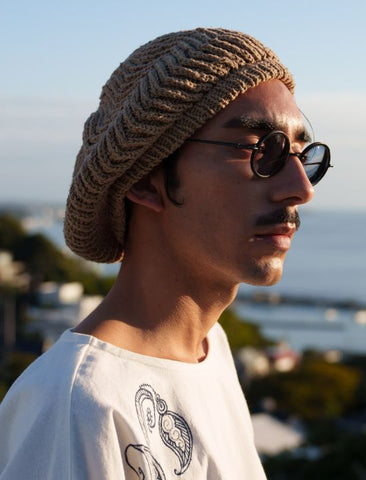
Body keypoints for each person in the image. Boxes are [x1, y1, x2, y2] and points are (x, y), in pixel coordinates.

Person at [0, 28, 331, 479]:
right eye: (261, 150)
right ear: (144, 179)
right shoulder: (77, 403)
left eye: (301, 154)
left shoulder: (210, 351)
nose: (301, 189)